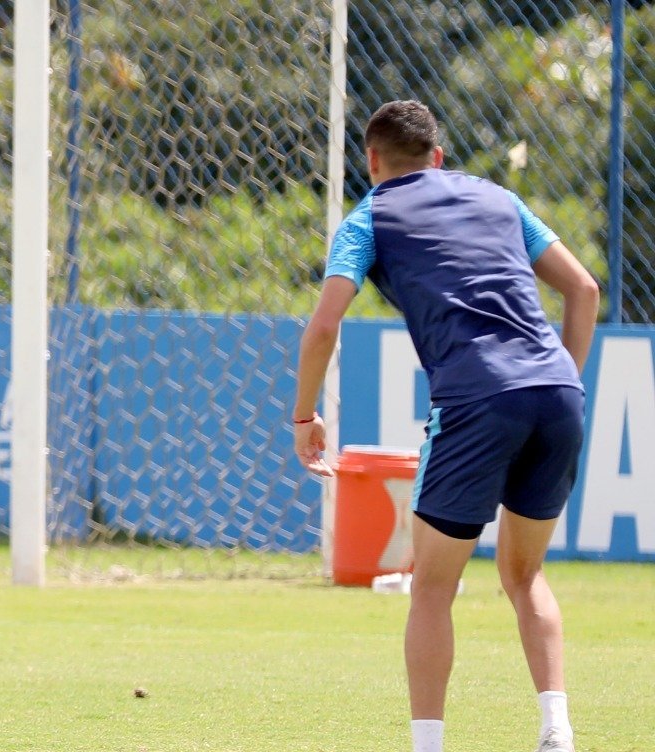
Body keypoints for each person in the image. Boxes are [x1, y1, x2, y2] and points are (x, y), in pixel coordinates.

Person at [291, 100, 598, 752]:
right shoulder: (499, 197)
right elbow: (584, 290)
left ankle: (428, 747)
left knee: (433, 586)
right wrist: (559, 382)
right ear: (437, 157)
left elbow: (323, 326)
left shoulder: (369, 215)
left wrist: (304, 415)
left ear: (372, 161)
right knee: (524, 575)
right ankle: (557, 730)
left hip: (477, 400)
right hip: (557, 394)